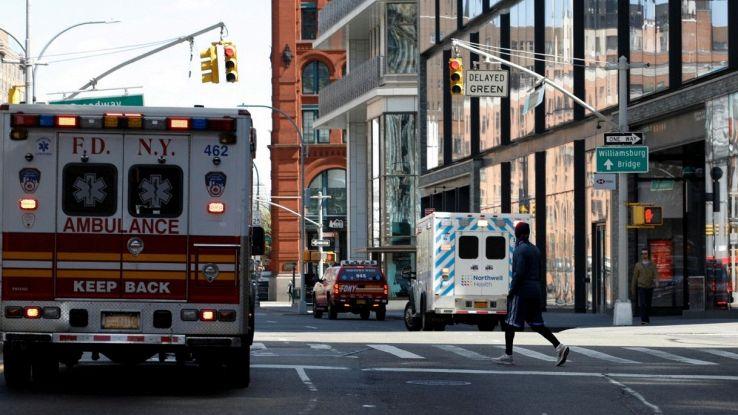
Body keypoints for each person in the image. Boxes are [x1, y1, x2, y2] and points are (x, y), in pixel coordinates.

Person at [496, 221, 569, 366]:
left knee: (510, 322)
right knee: (537, 324)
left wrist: (512, 291)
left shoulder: (520, 250)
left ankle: (508, 355)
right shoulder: (535, 250)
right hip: (535, 290)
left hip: (522, 291)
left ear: (519, 233)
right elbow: (540, 272)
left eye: (516, 232)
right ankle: (559, 347)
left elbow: (519, 273)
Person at [631, 248, 657, 325]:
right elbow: (635, 277)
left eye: (646, 253)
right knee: (642, 303)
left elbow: (655, 273)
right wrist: (633, 287)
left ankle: (647, 318)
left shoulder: (652, 264)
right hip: (641, 286)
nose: (644, 255)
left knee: (648, 304)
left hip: (650, 286)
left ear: (648, 255)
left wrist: (657, 281)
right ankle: (643, 320)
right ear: (641, 255)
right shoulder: (638, 265)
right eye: (643, 253)